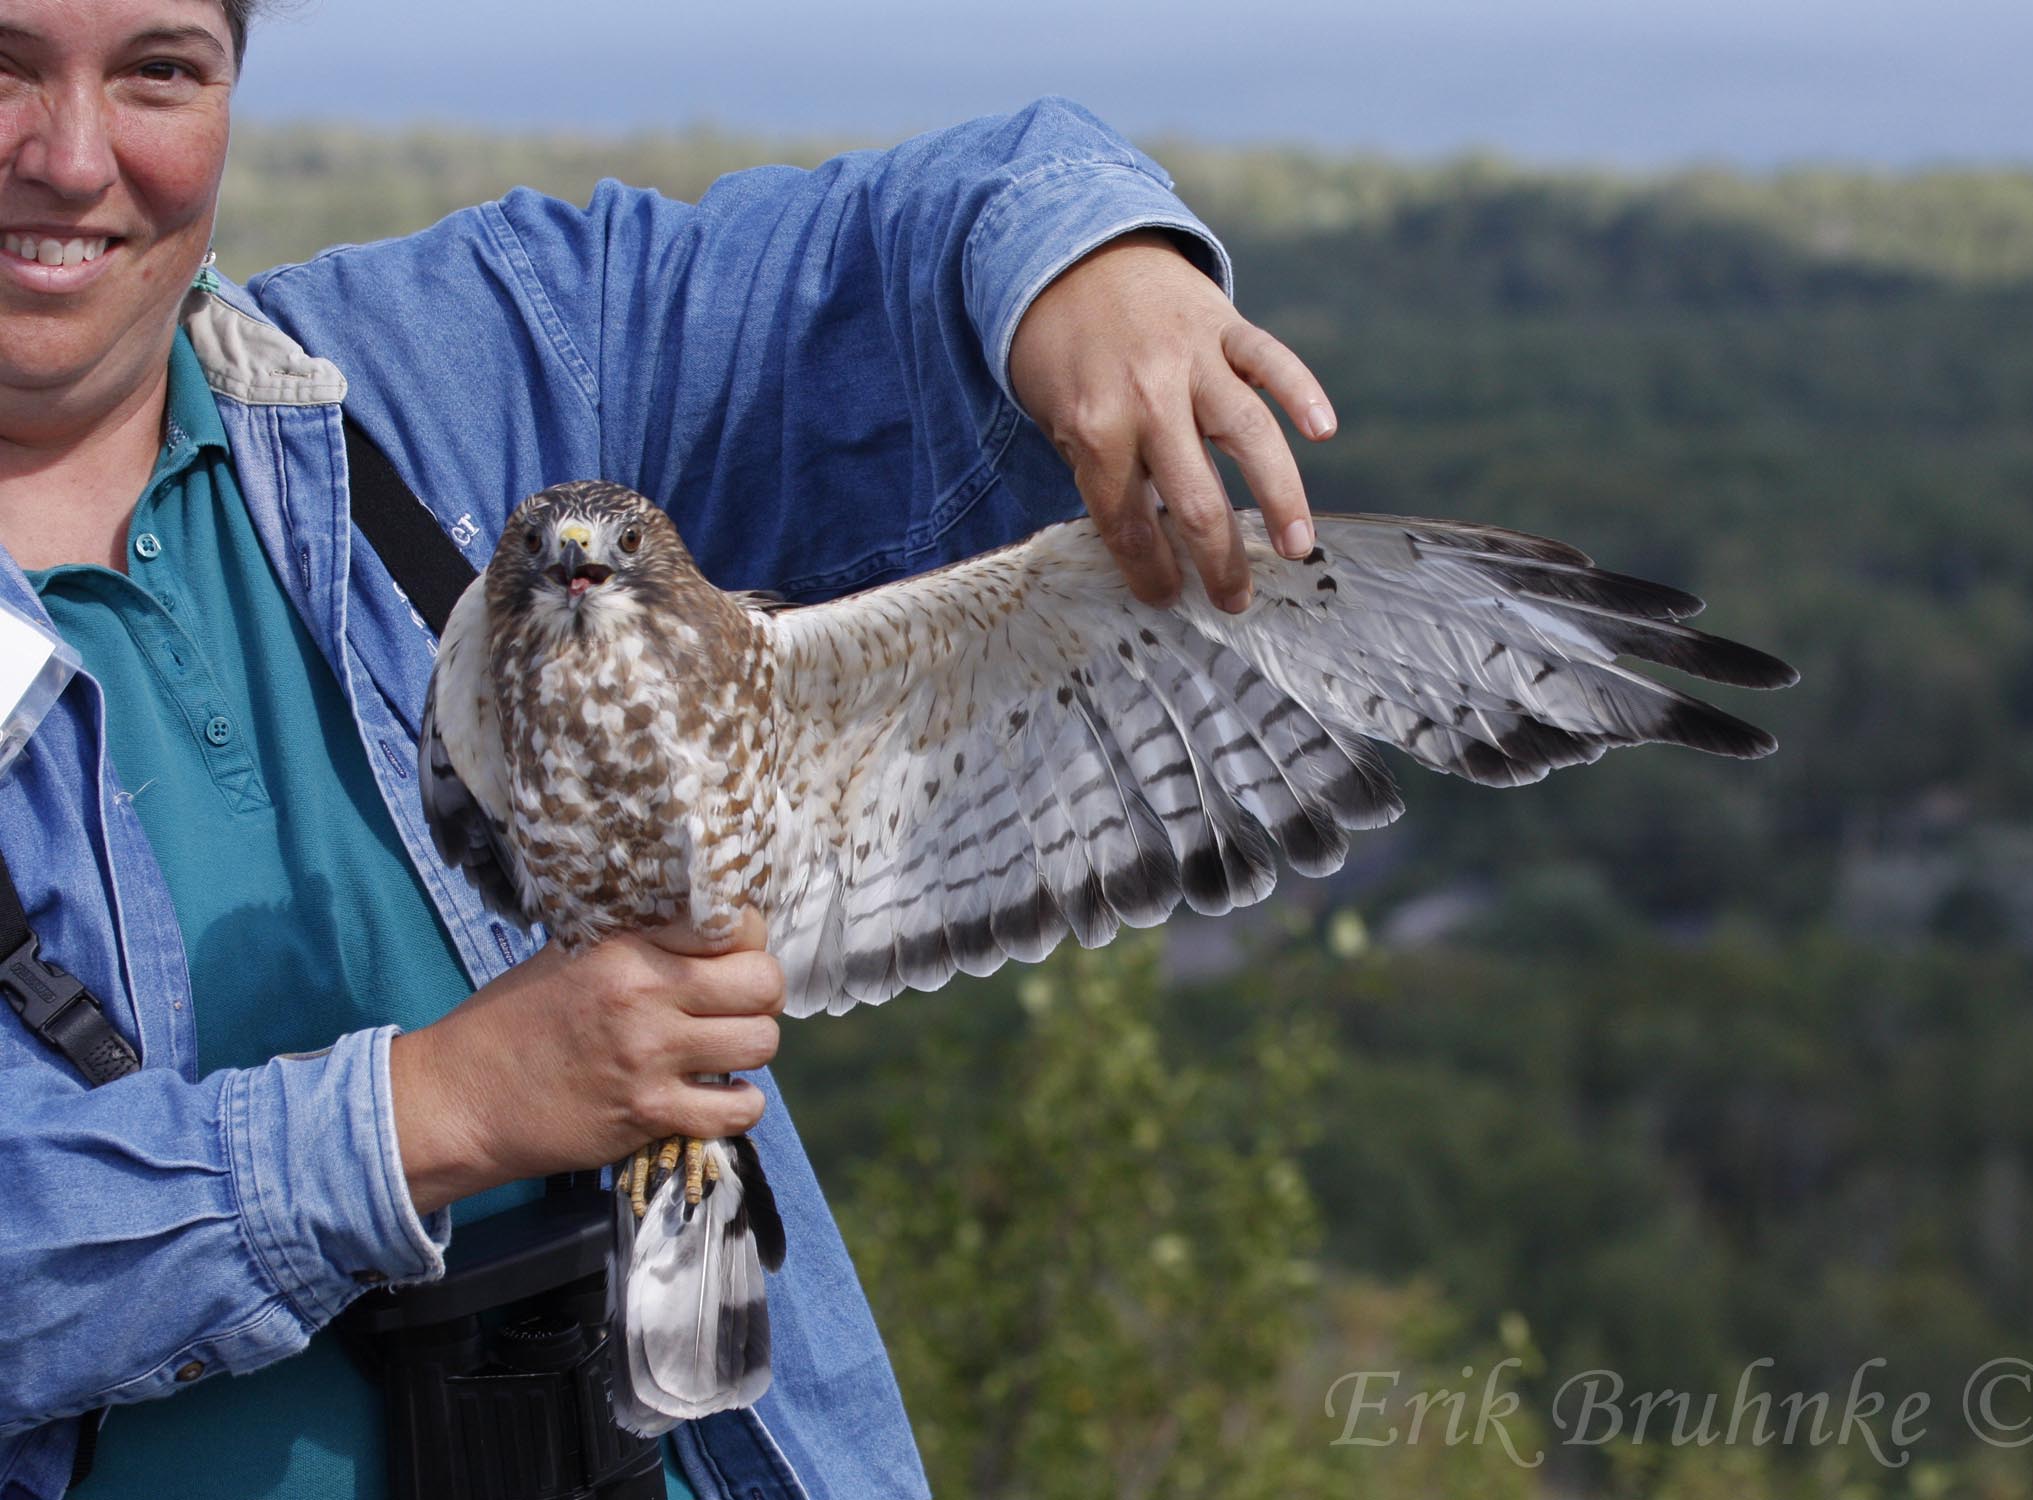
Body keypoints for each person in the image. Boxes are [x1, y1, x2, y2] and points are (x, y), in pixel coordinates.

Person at [0, 2, 1338, 1497]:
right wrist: (427, 1115)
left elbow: (906, 238)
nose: (69, 155)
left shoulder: (446, 370)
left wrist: (1090, 265)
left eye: (159, 70)